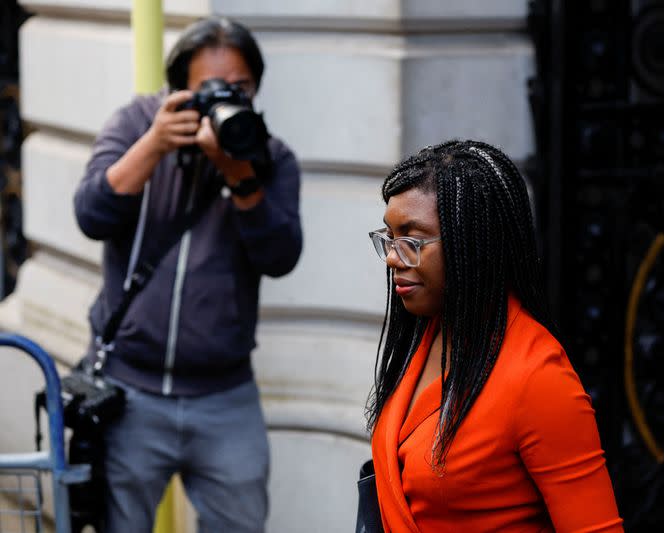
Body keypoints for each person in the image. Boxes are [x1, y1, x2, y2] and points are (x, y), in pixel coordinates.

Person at [73, 17, 302, 532]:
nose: (226, 99)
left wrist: (240, 176)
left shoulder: (270, 156)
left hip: (226, 396)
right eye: (209, 90)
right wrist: (154, 144)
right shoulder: (136, 124)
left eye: (239, 88)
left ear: (256, 87)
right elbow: (91, 214)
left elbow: (282, 256)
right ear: (177, 89)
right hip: (129, 389)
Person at [365, 140, 623, 532]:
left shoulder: (539, 378)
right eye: (389, 237)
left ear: (471, 241)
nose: (392, 257)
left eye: (412, 241)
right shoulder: (431, 331)